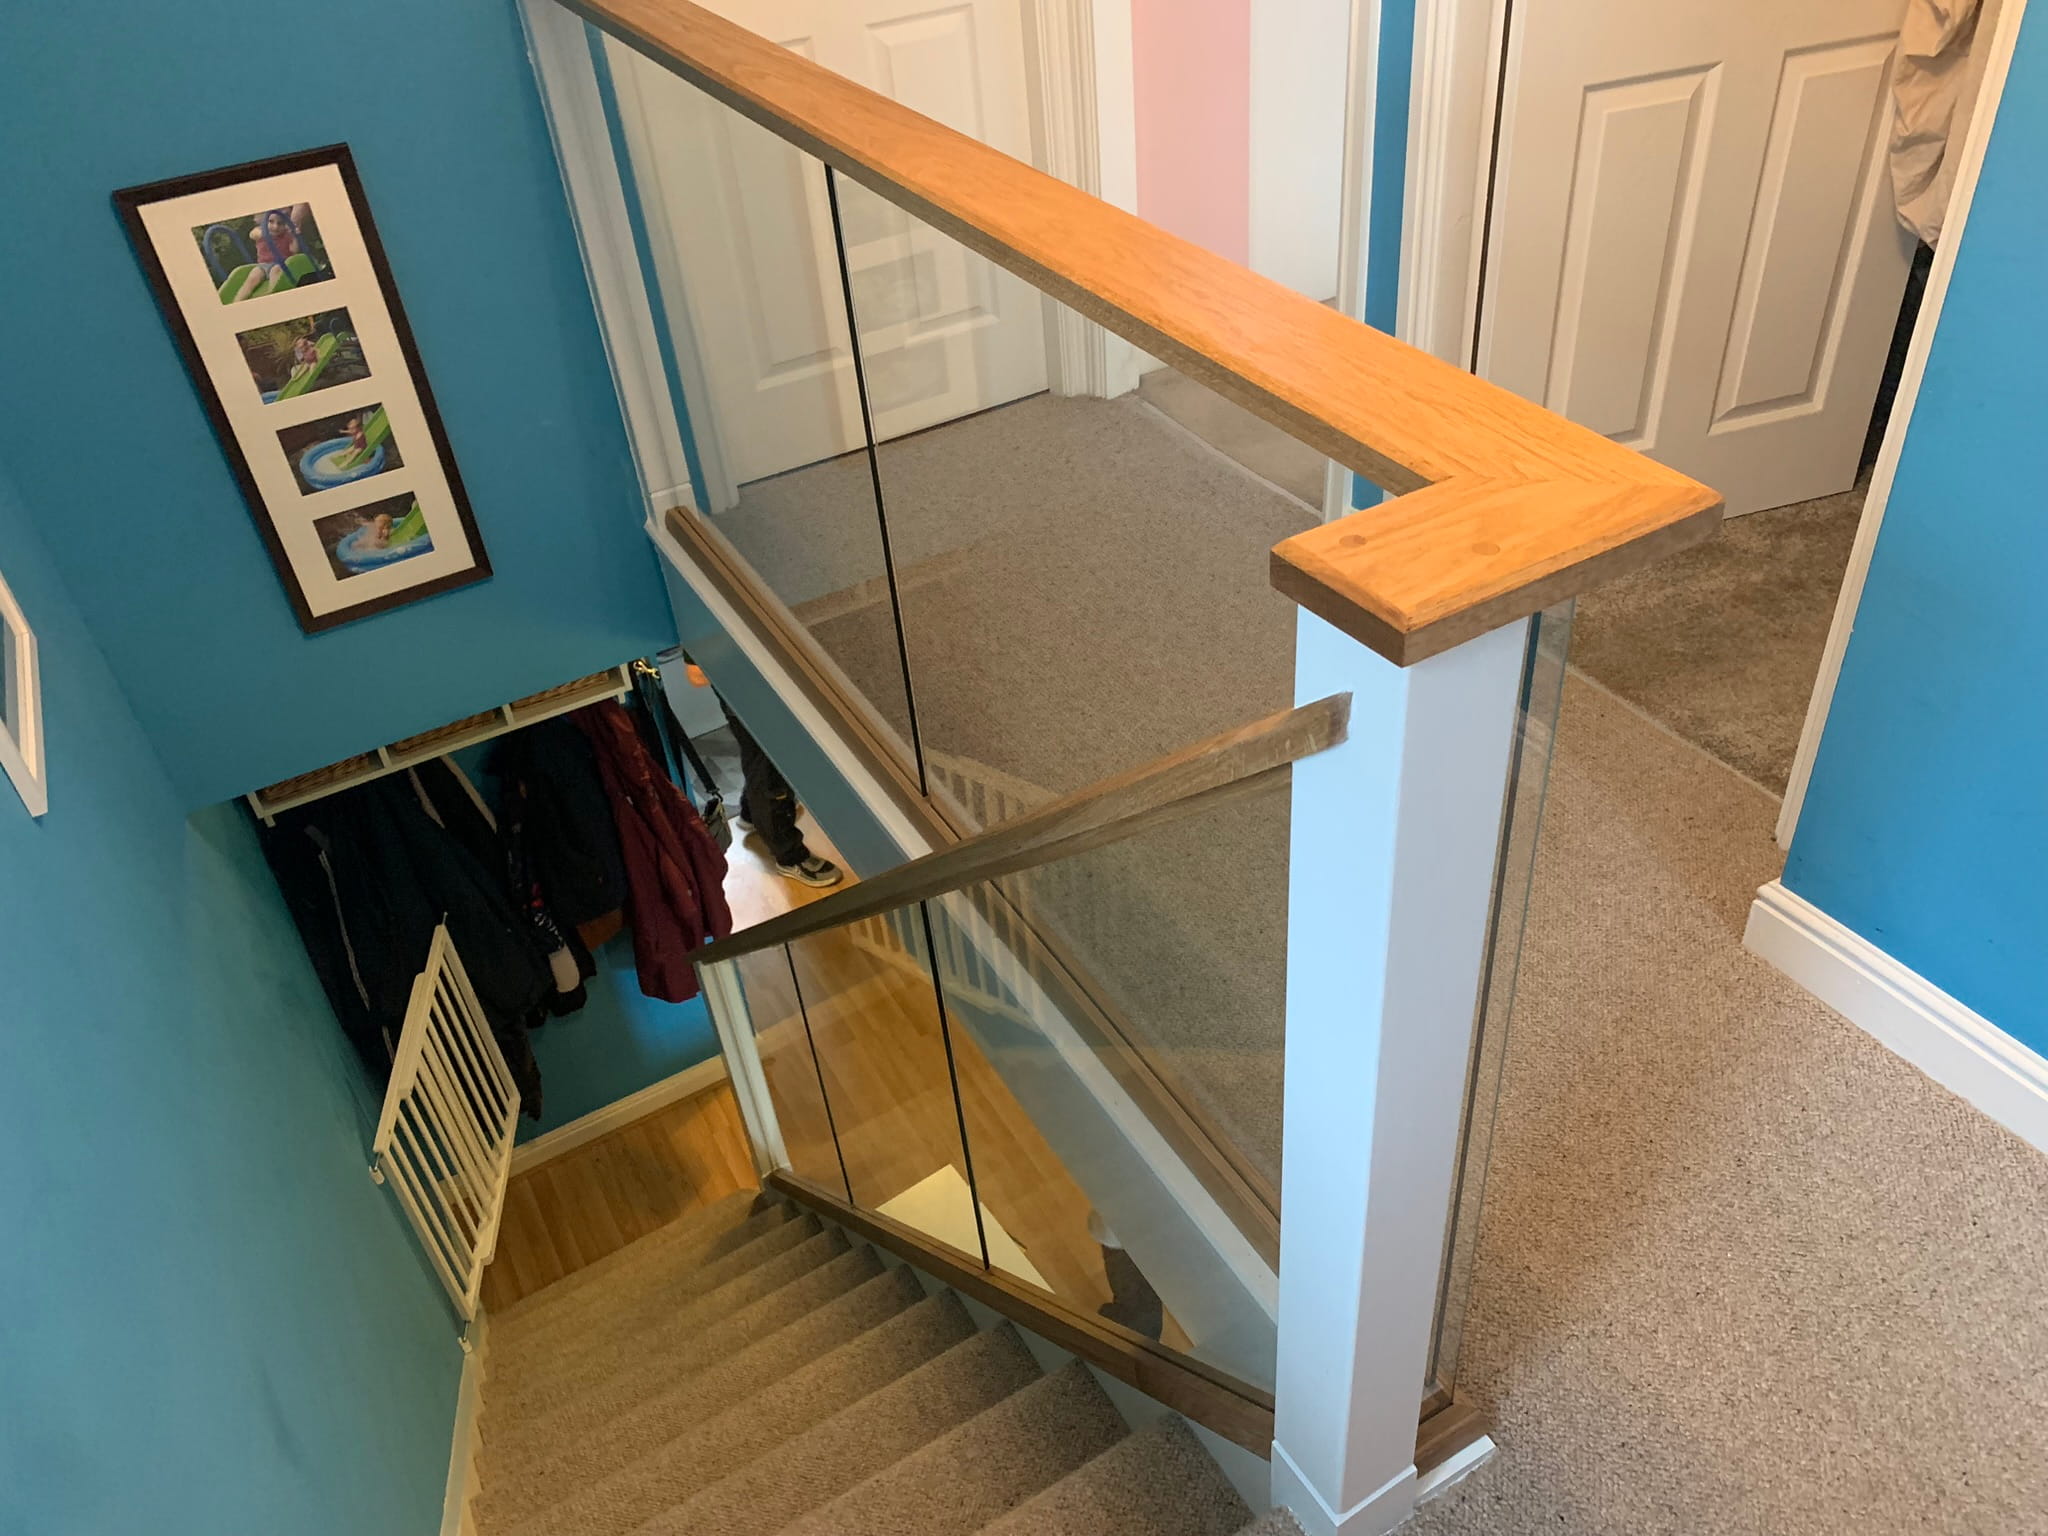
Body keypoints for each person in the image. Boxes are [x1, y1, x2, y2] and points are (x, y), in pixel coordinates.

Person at [683, 660, 842, 888]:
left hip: (755, 690)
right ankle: (790, 857)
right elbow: (697, 675)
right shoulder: (707, 625)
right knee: (769, 772)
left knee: (761, 760)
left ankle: (751, 814)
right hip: (749, 694)